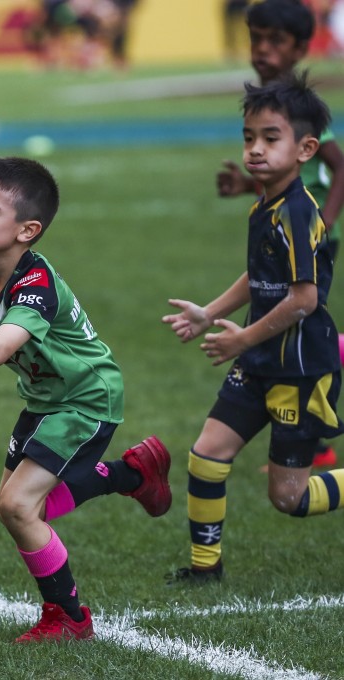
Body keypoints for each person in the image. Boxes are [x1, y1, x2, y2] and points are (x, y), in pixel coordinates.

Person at [0, 157, 172, 642]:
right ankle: (131, 473)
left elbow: (3, 344)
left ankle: (69, 617)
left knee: (19, 507)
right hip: (45, 400)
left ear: (27, 230)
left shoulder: (35, 283)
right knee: (21, 510)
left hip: (87, 399)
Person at [164, 72, 344, 584]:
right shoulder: (264, 205)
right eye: (249, 138)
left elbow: (304, 298)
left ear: (306, 148)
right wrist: (208, 311)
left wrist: (242, 338)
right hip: (260, 359)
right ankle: (205, 568)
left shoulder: (297, 212)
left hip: (301, 367)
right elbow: (262, 275)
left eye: (271, 138)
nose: (255, 150)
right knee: (206, 456)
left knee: (288, 498)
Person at [215, 0, 344, 469]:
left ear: (300, 48)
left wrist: (323, 225)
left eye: (277, 41)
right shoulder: (270, 98)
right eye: (257, 38)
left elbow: (335, 166)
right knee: (285, 315)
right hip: (286, 221)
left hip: (304, 229)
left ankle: (309, 430)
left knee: (298, 319)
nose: (263, 49)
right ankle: (311, 438)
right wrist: (246, 186)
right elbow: (286, 173)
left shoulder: (292, 103)